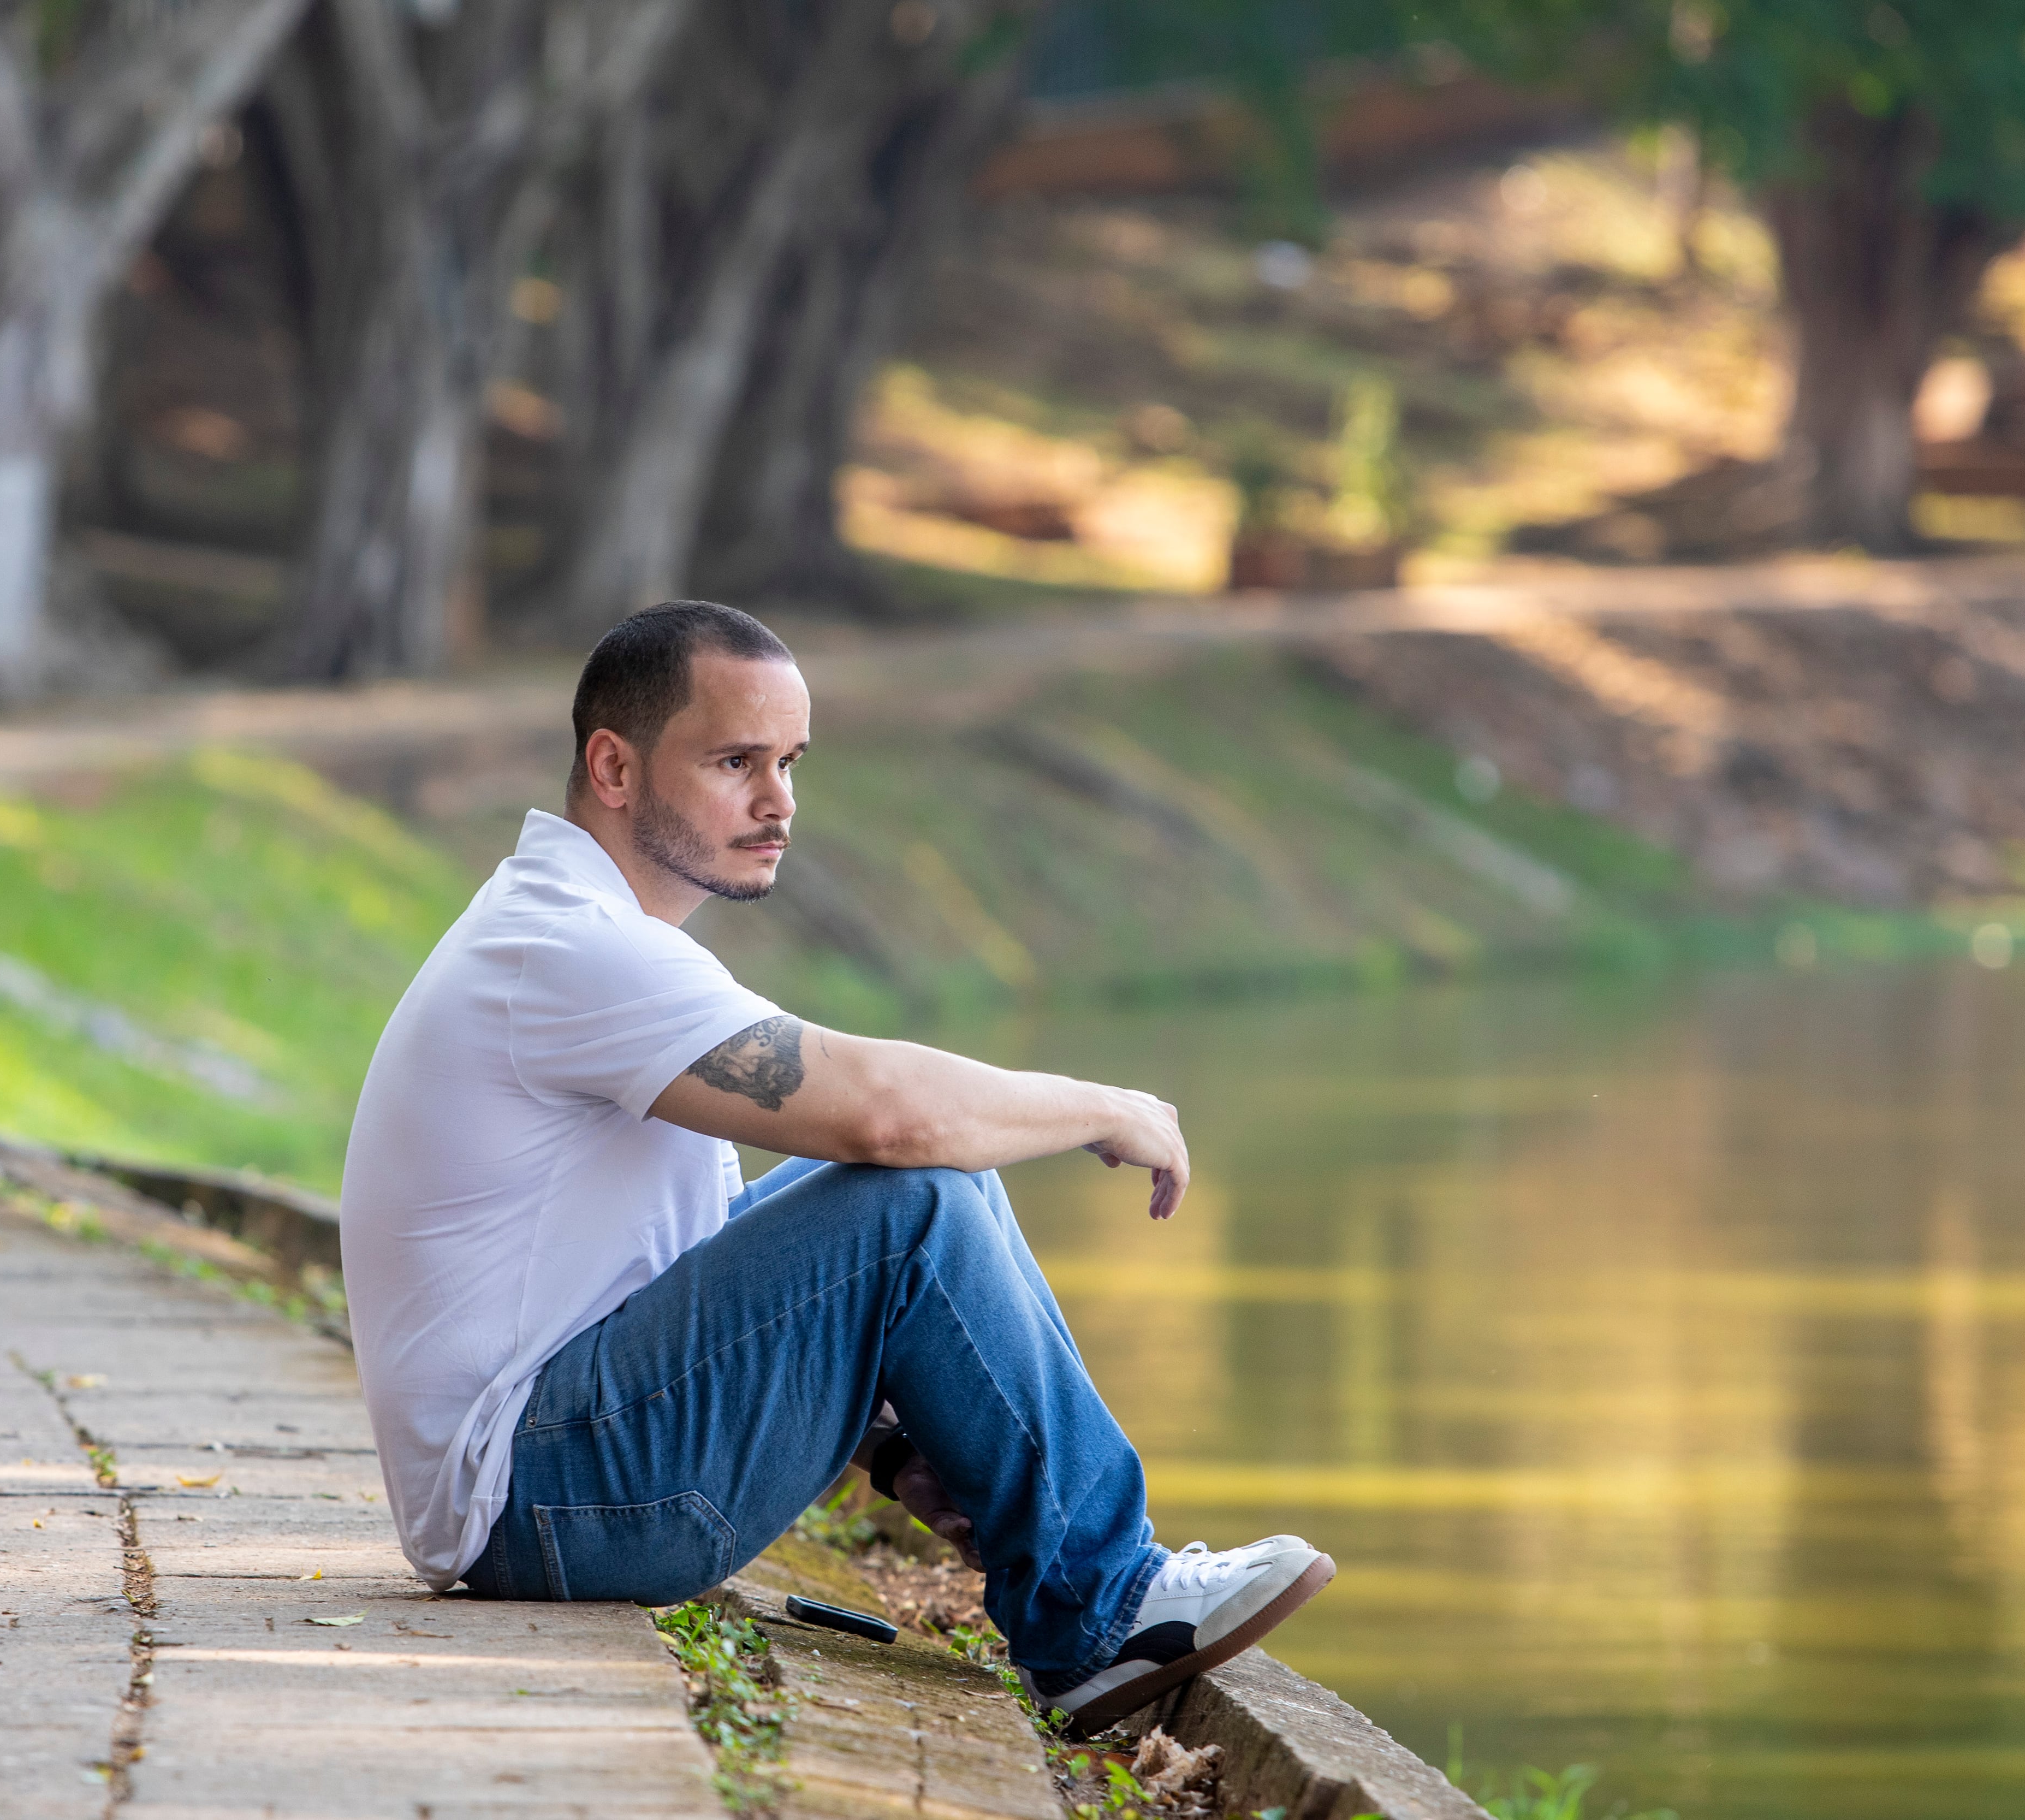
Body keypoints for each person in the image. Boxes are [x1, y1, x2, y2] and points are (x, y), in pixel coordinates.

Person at [339, 599, 1333, 1730]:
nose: (779, 802)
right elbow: (888, 1118)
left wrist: (895, 1441)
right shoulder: (570, 949)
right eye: (735, 761)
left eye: (790, 761)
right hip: (541, 1498)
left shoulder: (591, 940)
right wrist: (1108, 1105)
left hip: (555, 1479)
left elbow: (676, 1263)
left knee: (918, 1190)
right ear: (613, 767)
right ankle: (1099, 1609)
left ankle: (1086, 1578)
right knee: (912, 1193)